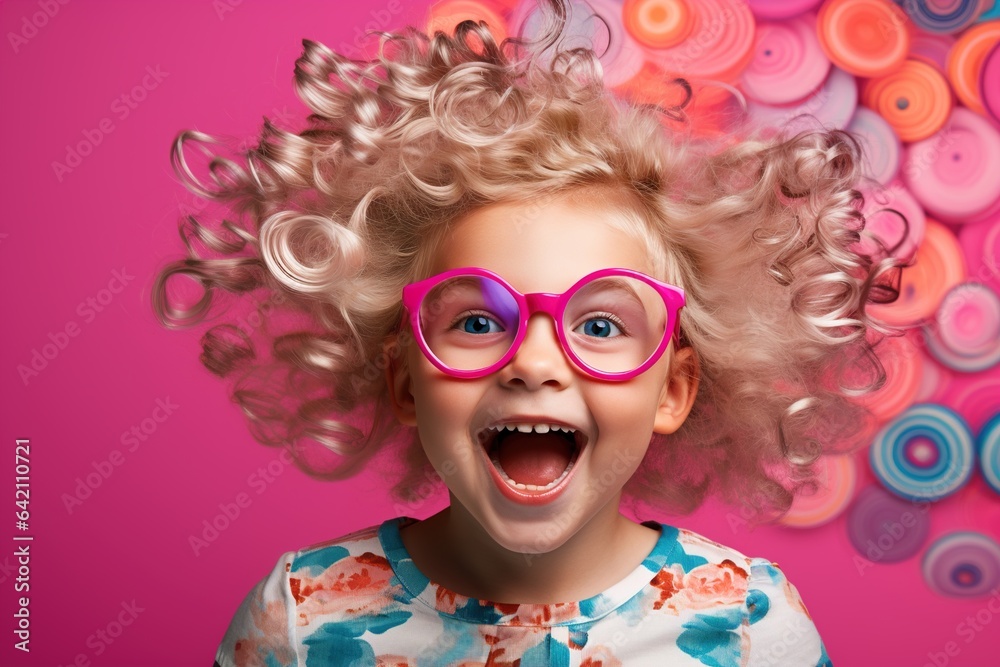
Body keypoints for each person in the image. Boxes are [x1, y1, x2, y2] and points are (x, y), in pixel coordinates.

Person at [155, 1, 896, 664]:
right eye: (478, 321)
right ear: (404, 379)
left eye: (600, 323)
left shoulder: (750, 629)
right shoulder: (301, 618)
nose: (534, 363)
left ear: (672, 387)